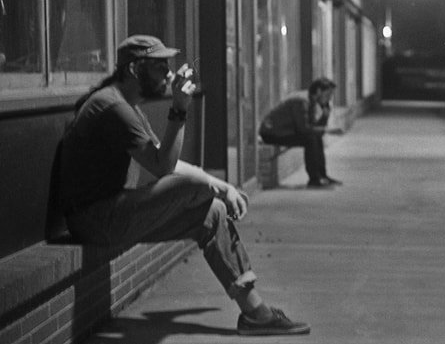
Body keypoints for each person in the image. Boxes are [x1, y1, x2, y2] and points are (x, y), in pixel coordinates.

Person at [58, 35, 310, 336]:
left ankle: (257, 314)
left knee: (212, 211)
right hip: (96, 219)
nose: (169, 73)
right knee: (196, 187)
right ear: (135, 70)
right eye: (159, 67)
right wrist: (179, 107)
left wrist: (221, 186)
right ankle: (257, 314)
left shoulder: (125, 104)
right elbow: (163, 167)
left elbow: (168, 162)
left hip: (111, 212)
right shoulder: (112, 106)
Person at [259, 77, 344, 189]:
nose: (329, 98)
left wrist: (324, 116)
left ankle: (322, 175)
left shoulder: (311, 101)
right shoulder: (301, 101)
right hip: (272, 133)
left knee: (315, 137)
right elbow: (303, 129)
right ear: (318, 91)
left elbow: (313, 128)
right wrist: (327, 130)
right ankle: (314, 179)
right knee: (310, 139)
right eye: (328, 94)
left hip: (286, 131)